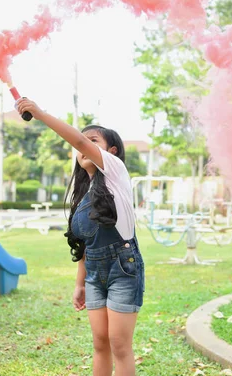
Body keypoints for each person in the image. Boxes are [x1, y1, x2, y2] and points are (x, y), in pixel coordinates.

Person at [16, 98, 145, 376]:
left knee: (119, 345)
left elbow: (78, 141)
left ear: (111, 151)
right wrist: (80, 283)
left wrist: (40, 113)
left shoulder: (116, 173)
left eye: (92, 141)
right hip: (94, 274)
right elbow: (85, 245)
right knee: (100, 344)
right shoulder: (84, 196)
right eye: (81, 143)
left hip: (124, 269)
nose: (82, 145)